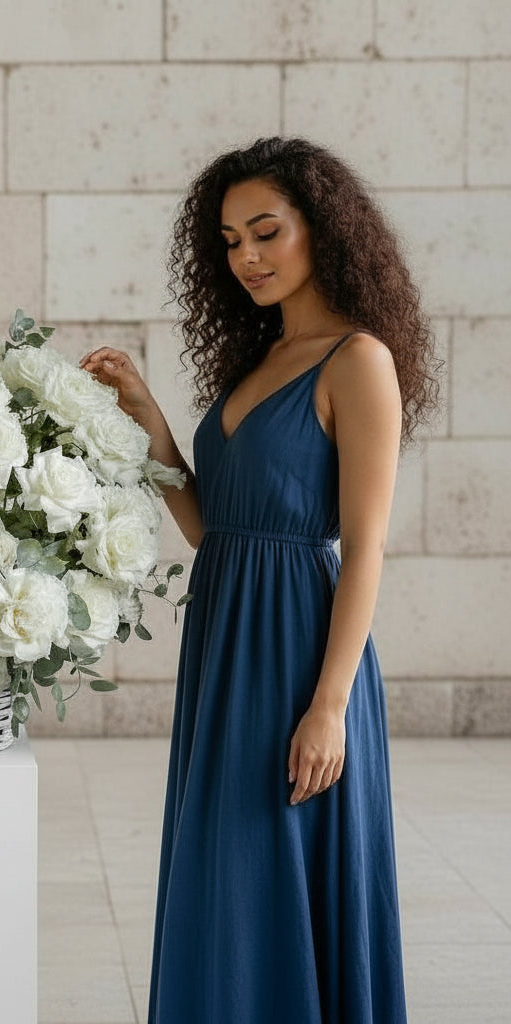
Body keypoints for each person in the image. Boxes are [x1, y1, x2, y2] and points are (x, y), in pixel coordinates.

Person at [81, 136, 440, 1023]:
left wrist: (328, 707)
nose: (245, 257)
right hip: (226, 645)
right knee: (226, 870)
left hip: (302, 657)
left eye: (266, 232)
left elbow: (364, 547)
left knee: (277, 861)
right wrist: (151, 421)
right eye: (231, 240)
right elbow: (219, 532)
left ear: (324, 229)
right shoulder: (258, 361)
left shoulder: (359, 360)